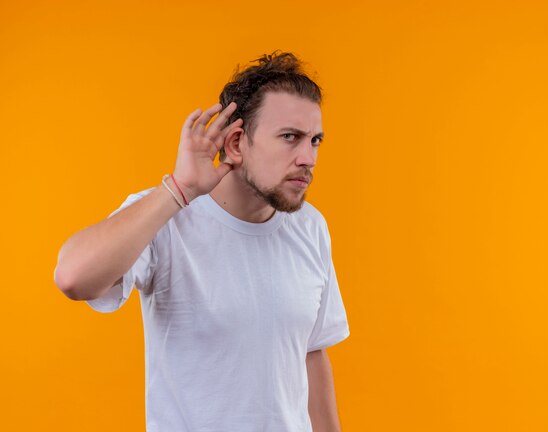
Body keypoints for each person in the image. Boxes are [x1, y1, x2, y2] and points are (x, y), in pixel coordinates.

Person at [53, 50, 350, 432]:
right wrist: (179, 189)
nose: (308, 157)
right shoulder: (169, 216)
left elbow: (310, 352)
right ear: (238, 143)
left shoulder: (310, 227)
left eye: (315, 140)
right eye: (290, 138)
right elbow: (73, 277)